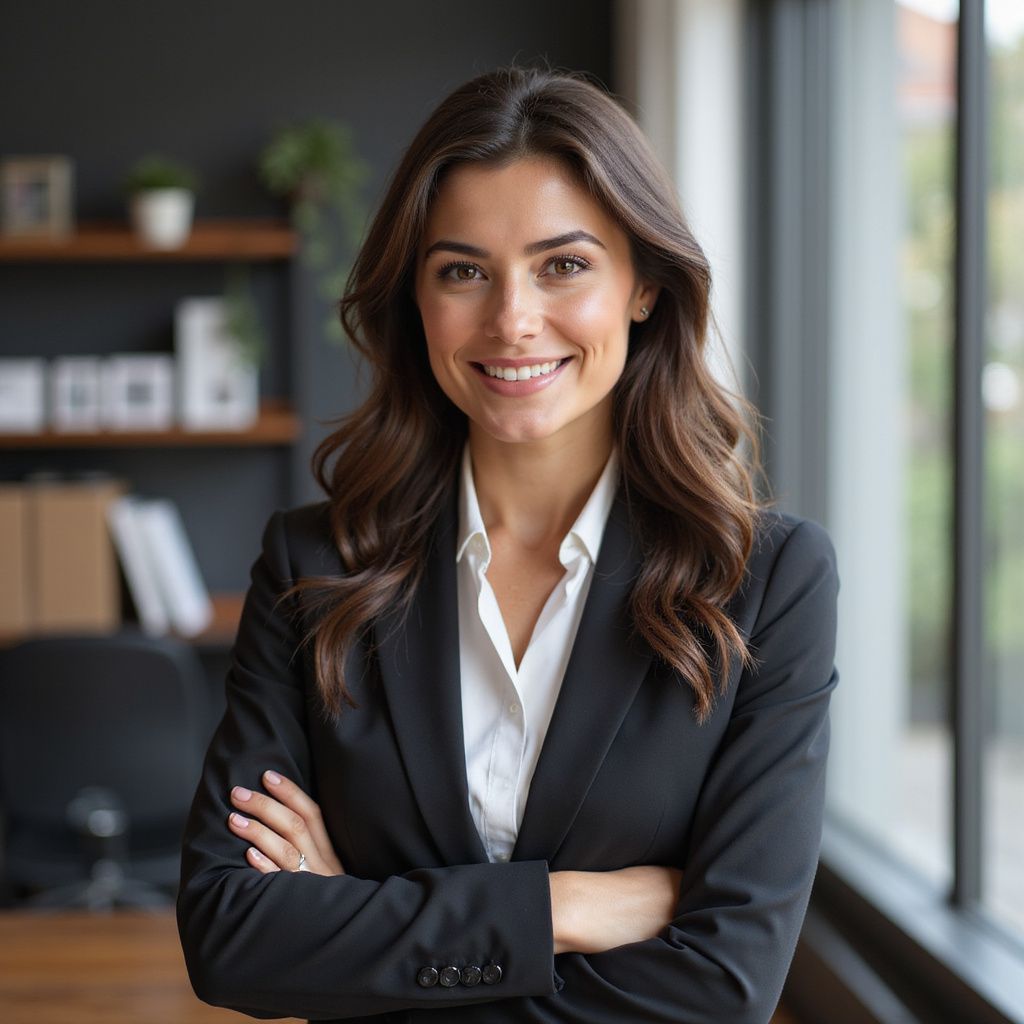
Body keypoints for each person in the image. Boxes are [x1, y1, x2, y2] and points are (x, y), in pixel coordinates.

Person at [176, 65, 839, 1024]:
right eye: (463, 271)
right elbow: (231, 939)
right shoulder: (315, 567)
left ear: (644, 286)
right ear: (416, 298)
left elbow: (723, 989)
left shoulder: (768, 581)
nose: (512, 319)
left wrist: (356, 926)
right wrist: (561, 907)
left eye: (562, 265)